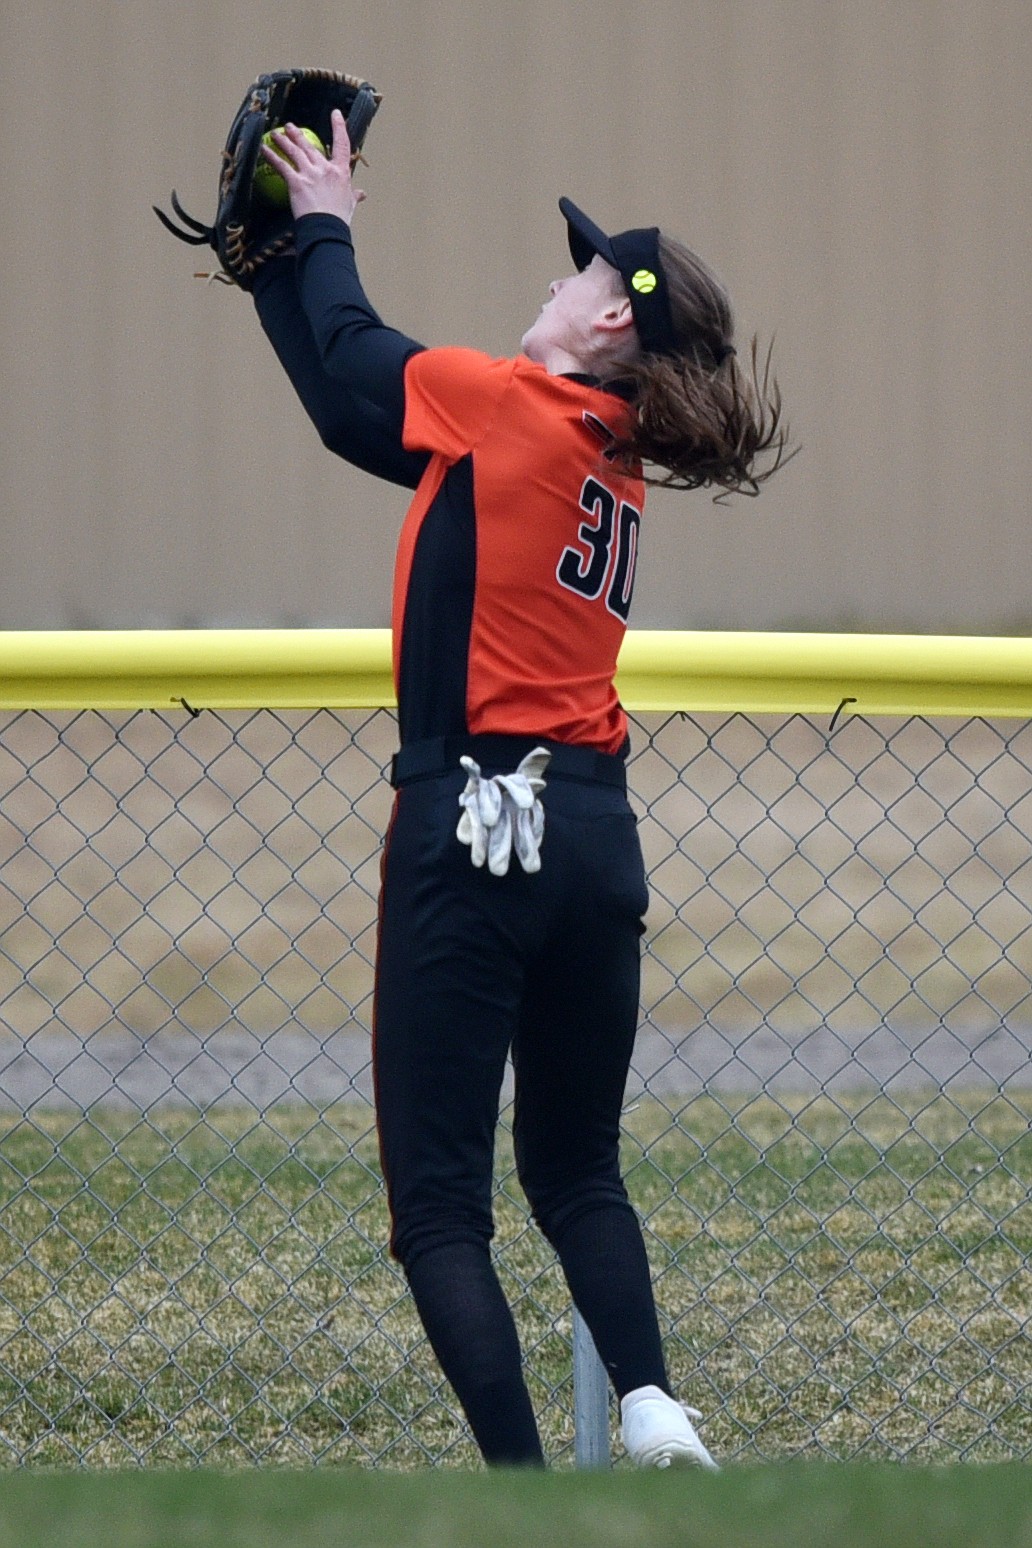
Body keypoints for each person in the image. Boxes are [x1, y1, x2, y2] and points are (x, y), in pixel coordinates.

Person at [254, 111, 789, 1469]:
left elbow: (355, 352)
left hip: (477, 825)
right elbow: (344, 401)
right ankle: (658, 1411)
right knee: (575, 1170)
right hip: (595, 834)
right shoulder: (599, 452)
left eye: (583, 270)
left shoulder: (508, 405)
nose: (557, 279)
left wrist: (320, 221)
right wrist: (280, 265)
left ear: (609, 319)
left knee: (440, 1211)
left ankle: (524, 1498)